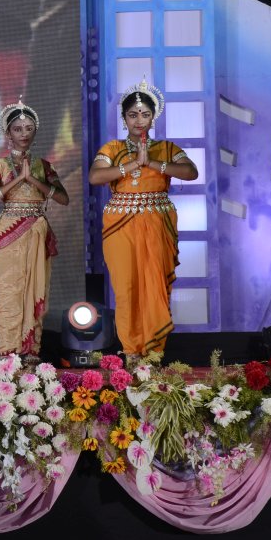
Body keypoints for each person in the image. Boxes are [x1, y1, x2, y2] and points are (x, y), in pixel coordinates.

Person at [89, 79, 197, 361]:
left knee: (155, 287)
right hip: (120, 227)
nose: (139, 120)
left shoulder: (166, 148)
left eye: (145, 114)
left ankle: (154, 352)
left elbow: (191, 172)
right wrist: (133, 164)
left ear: (154, 116)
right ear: (124, 118)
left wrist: (152, 163)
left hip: (156, 225)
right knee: (126, 288)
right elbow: (96, 176)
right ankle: (131, 352)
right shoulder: (112, 148)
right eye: (133, 115)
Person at [0, 99, 68, 358]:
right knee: (9, 290)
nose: (24, 134)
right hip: (9, 230)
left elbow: (63, 199)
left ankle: (31, 352)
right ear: (8, 133)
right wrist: (18, 178)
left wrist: (33, 179)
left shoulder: (43, 166)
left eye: (29, 129)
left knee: (36, 291)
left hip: (37, 230)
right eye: (18, 129)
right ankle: (8, 353)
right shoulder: (0, 165)